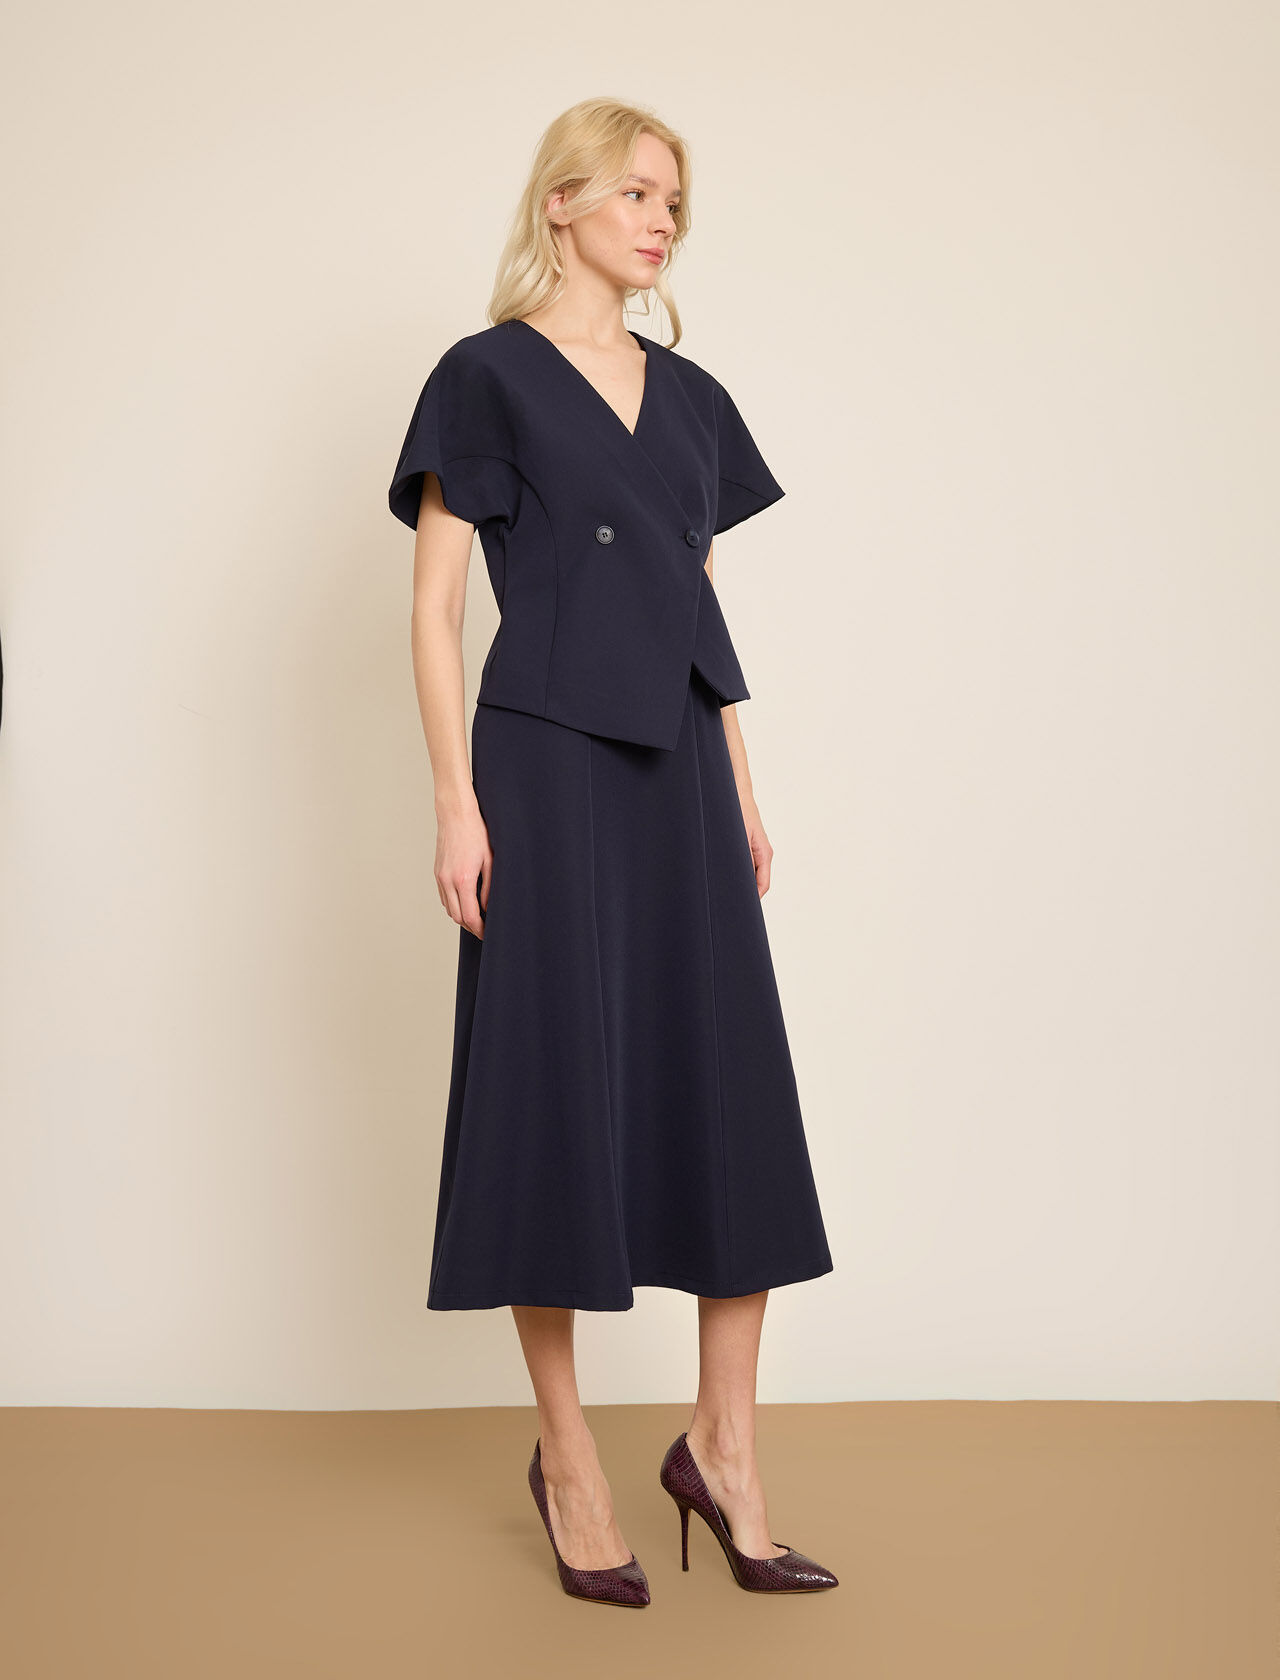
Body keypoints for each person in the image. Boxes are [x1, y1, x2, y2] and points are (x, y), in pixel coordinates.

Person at [387, 96, 838, 1605]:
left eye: (675, 203)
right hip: (543, 763)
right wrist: (456, 801)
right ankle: (570, 1453)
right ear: (563, 202)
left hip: (678, 764)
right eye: (637, 192)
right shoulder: (487, 376)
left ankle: (726, 1450)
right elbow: (436, 607)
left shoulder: (693, 399)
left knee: (727, 1079)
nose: (660, 221)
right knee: (551, 1083)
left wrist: (743, 783)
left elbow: (693, 601)